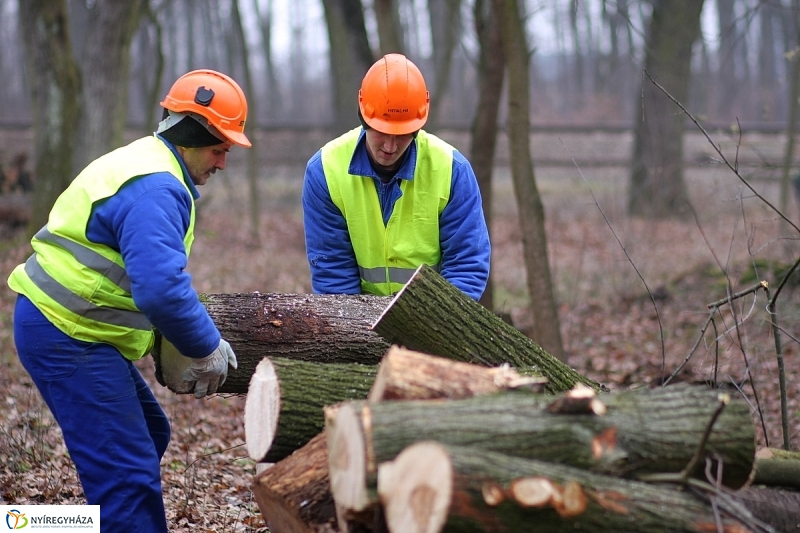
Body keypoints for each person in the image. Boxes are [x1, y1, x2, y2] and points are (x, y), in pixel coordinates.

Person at [7, 69, 250, 532]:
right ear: (192, 135)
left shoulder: (147, 164)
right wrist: (206, 346)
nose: (223, 162)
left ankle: (23, 523)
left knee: (150, 436)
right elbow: (160, 287)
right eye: (221, 149)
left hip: (67, 327)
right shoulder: (156, 188)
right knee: (128, 475)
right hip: (66, 334)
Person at [302, 53, 490, 300]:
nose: (390, 146)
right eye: (381, 132)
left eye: (403, 133)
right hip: (357, 322)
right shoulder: (325, 171)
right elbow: (334, 276)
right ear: (363, 116)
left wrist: (434, 329)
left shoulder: (452, 171)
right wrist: (357, 333)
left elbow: (466, 265)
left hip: (436, 319)